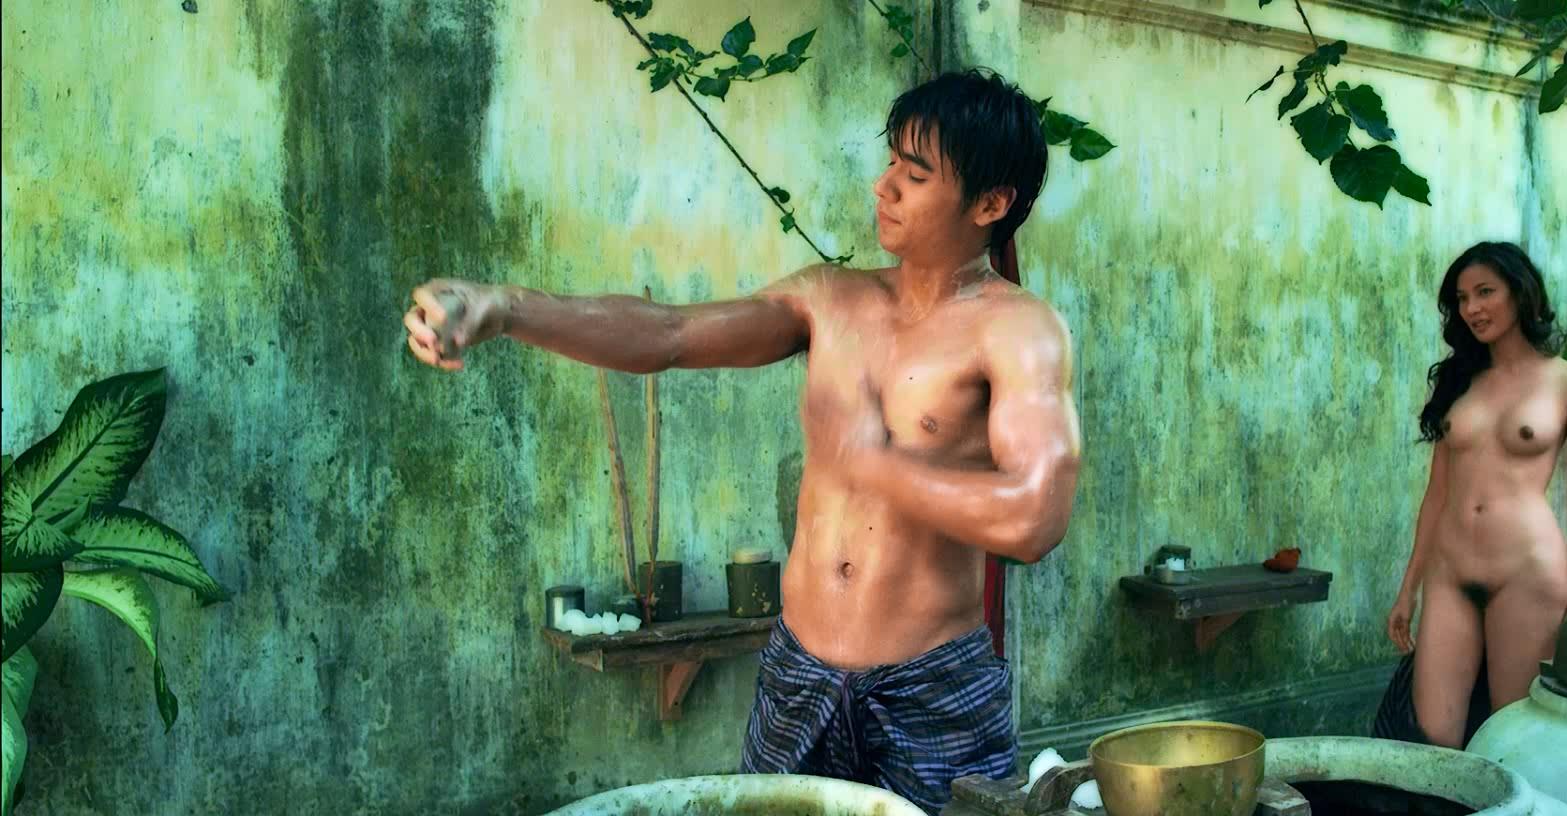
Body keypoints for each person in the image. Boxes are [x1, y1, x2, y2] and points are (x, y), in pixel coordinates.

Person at [400, 69, 1080, 811]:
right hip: (798, 675)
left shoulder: (1018, 330)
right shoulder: (830, 298)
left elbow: (1034, 516)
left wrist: (870, 463)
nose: (883, 186)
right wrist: (504, 309)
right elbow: (669, 334)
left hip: (930, 690)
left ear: (990, 203)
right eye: (890, 161)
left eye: (915, 175)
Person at [1382, 242, 1567, 749]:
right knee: (1434, 741)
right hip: (1450, 573)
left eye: (1485, 292)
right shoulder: (1460, 380)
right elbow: (1437, 494)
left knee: (1512, 739)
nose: (1472, 309)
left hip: (1527, 574)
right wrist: (1408, 587)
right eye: (1462, 298)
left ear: (1520, 293)